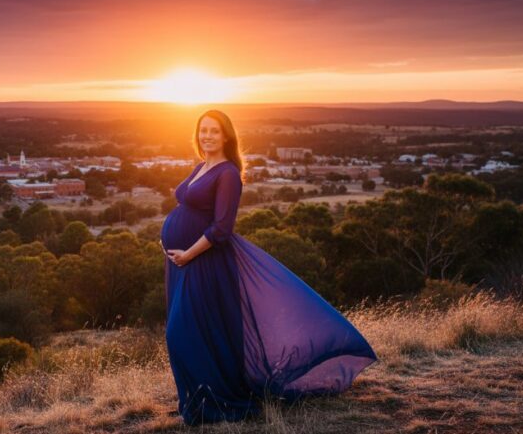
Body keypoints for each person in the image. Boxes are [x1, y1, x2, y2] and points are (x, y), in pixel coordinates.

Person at [161, 110, 377, 426]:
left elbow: (222, 228)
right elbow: (185, 208)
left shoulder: (227, 174)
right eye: (202, 130)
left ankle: (218, 401)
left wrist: (189, 254)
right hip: (181, 263)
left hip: (204, 263)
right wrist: (167, 241)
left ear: (226, 137)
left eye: (213, 131)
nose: (206, 136)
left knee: (181, 333)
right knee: (197, 332)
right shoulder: (200, 166)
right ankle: (195, 401)